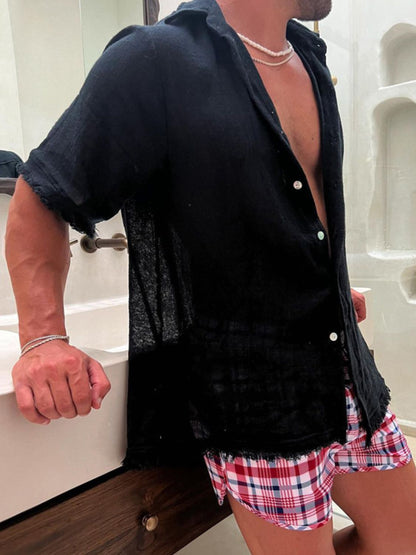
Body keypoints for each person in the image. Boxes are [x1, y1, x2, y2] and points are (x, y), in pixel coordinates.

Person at [5, 0, 416, 553]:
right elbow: (41, 197)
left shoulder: (311, 58)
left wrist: (327, 291)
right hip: (257, 398)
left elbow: (288, 207)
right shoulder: (157, 59)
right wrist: (43, 339)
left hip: (345, 369)